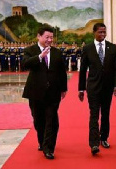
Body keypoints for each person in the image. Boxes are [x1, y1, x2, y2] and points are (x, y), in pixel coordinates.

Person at [22, 24, 68, 160]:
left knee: (51, 119)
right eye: (47, 37)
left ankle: (49, 148)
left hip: (53, 92)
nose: (49, 40)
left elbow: (62, 72)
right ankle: (42, 141)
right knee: (38, 120)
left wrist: (64, 88)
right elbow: (25, 64)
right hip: (35, 92)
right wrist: (40, 56)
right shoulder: (30, 50)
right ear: (39, 36)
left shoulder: (57, 53)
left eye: (51, 37)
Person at [78, 23, 116, 155]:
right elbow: (83, 69)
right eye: (100, 32)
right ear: (94, 33)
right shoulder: (88, 49)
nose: (102, 34)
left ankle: (104, 138)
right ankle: (94, 144)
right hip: (93, 87)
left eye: (104, 32)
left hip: (107, 88)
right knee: (94, 114)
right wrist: (81, 89)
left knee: (106, 114)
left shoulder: (113, 48)